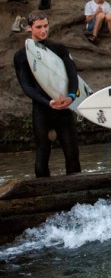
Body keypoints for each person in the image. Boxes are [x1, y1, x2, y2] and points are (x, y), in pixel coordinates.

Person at [12, 11, 81, 177]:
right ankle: (42, 192)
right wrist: (47, 102)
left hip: (64, 107)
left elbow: (73, 76)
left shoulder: (59, 49)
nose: (43, 30)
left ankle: (76, 195)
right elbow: (27, 86)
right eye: (38, 27)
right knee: (42, 153)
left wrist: (71, 96)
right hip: (42, 109)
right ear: (30, 28)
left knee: (72, 153)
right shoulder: (21, 55)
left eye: (45, 26)